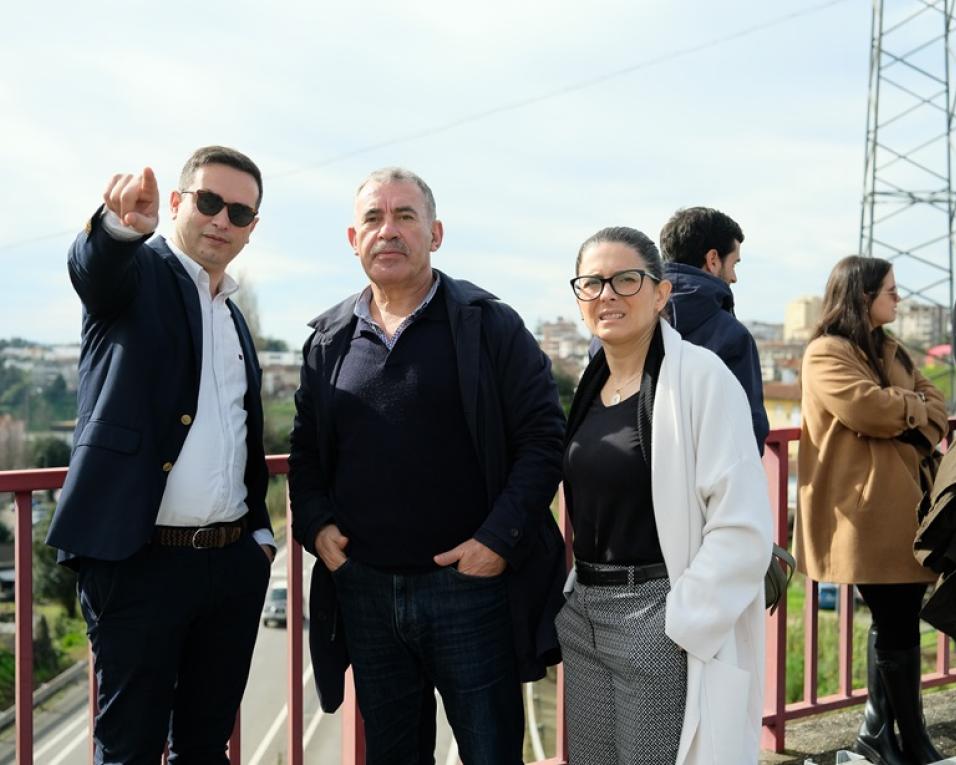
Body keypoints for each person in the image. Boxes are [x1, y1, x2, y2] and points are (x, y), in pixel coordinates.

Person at [288, 167, 566, 764]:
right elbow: (306, 451)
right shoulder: (328, 340)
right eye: (374, 218)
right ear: (352, 238)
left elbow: (544, 439)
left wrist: (497, 540)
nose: (388, 231)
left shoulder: (489, 325)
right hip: (365, 590)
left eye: (405, 217)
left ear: (435, 234)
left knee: (491, 755)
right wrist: (314, 523)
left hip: (468, 589)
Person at [46, 146, 274, 763]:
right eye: (207, 202)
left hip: (229, 566)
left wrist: (259, 538)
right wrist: (118, 227)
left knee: (204, 748)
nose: (221, 220)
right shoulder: (138, 274)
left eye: (239, 212)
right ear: (176, 203)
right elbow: (93, 268)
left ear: (251, 230)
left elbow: (242, 433)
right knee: (130, 751)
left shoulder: (232, 317)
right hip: (138, 565)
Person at [558, 226, 771, 765]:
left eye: (626, 280)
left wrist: (677, 621)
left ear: (660, 293)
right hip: (586, 615)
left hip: (657, 614)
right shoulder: (593, 382)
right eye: (592, 283)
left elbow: (741, 523)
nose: (607, 295)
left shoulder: (702, 379)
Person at [796, 256, 949, 765]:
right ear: (863, 296)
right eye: (890, 289)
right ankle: (910, 743)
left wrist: (904, 411)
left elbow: (937, 406)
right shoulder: (825, 352)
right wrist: (907, 412)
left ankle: (879, 737)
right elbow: (865, 408)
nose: (898, 298)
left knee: (897, 620)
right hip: (862, 512)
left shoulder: (890, 347)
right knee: (895, 618)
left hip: (904, 502)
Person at [658, 206, 768, 453]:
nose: (734, 277)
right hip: (702, 485)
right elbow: (748, 434)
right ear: (713, 260)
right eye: (734, 263)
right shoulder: (733, 336)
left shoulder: (626, 323)